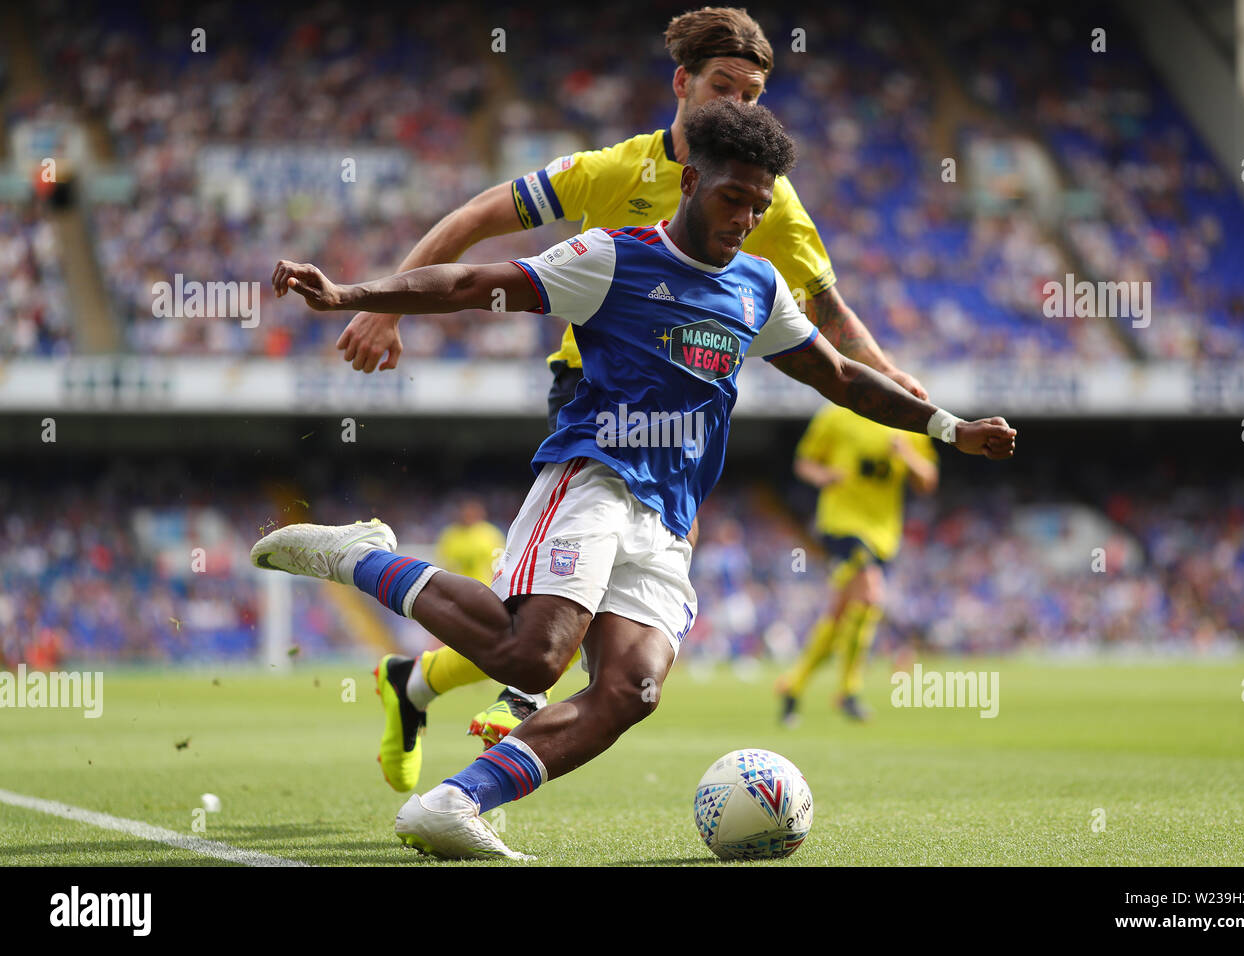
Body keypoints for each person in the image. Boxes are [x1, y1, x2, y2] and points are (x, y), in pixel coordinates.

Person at [254, 100, 1015, 860]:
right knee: (535, 657)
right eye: (732, 197)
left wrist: (949, 426)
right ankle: (356, 555)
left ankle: (455, 802)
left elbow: (845, 378)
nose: (746, 218)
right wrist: (351, 295)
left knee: (632, 690)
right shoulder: (611, 259)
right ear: (690, 181)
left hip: (669, 517)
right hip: (594, 476)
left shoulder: (757, 288)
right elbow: (469, 283)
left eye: (759, 204)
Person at [337, 6, 931, 776]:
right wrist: (383, 307)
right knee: (567, 613)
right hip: (594, 391)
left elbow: (827, 309)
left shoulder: (767, 198)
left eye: (751, 95)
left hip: (685, 423)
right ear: (682, 84)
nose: (736, 107)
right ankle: (512, 704)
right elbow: (481, 215)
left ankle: (413, 682)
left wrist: (890, 377)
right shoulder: (613, 171)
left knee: (601, 610)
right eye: (723, 87)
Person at [777, 406, 938, 726]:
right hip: (841, 524)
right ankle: (848, 691)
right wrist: (824, 475)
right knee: (870, 596)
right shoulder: (836, 415)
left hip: (884, 533)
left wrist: (906, 453)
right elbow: (804, 463)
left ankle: (792, 686)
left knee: (840, 614)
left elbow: (928, 480)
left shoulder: (906, 419)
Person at [375, 497, 505, 787]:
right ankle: (518, 694)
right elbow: (446, 565)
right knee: (483, 643)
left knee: (498, 642)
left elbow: (498, 562)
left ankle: (517, 693)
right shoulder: (451, 537)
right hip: (459, 594)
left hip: (488, 594)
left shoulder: (490, 535)